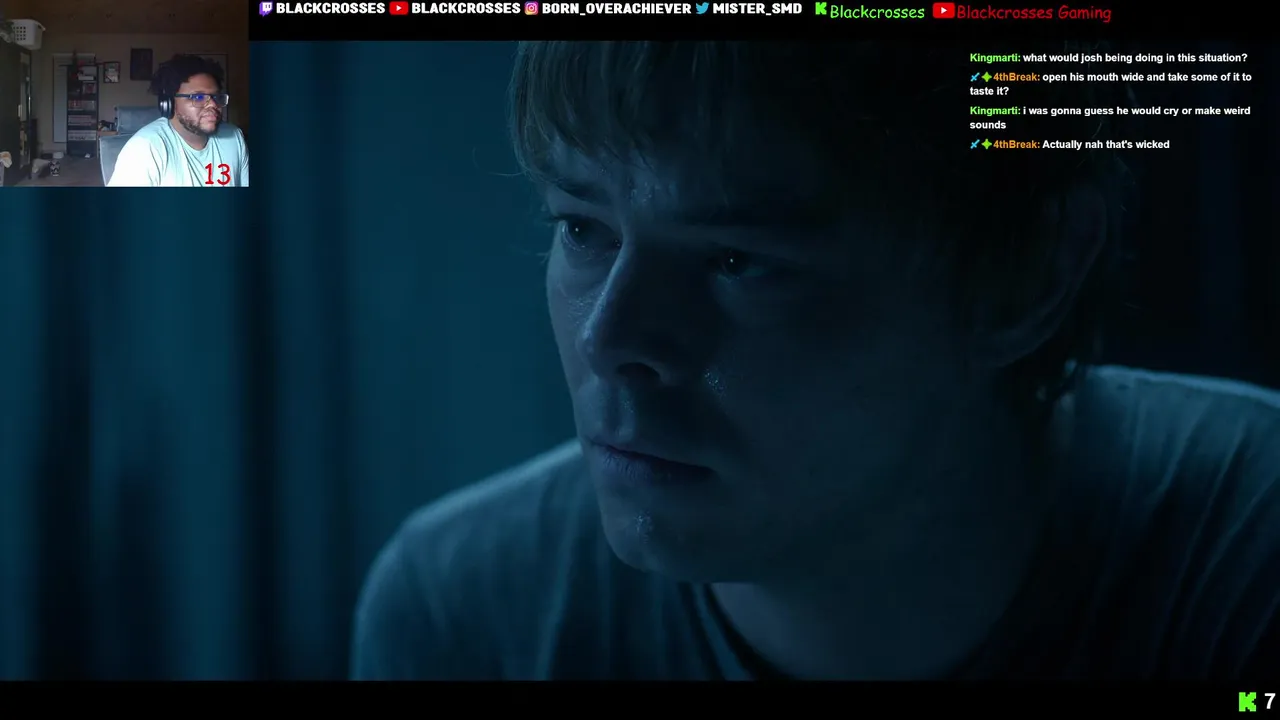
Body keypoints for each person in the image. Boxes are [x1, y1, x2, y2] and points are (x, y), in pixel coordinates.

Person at [351, 42, 1279, 679]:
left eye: (735, 260)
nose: (609, 340)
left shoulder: (1247, 553)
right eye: (583, 229)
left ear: (1027, 273)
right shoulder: (469, 615)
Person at [108, 55, 248, 187]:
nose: (213, 104)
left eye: (216, 97)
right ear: (169, 103)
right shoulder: (144, 148)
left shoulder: (235, 137)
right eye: (198, 97)